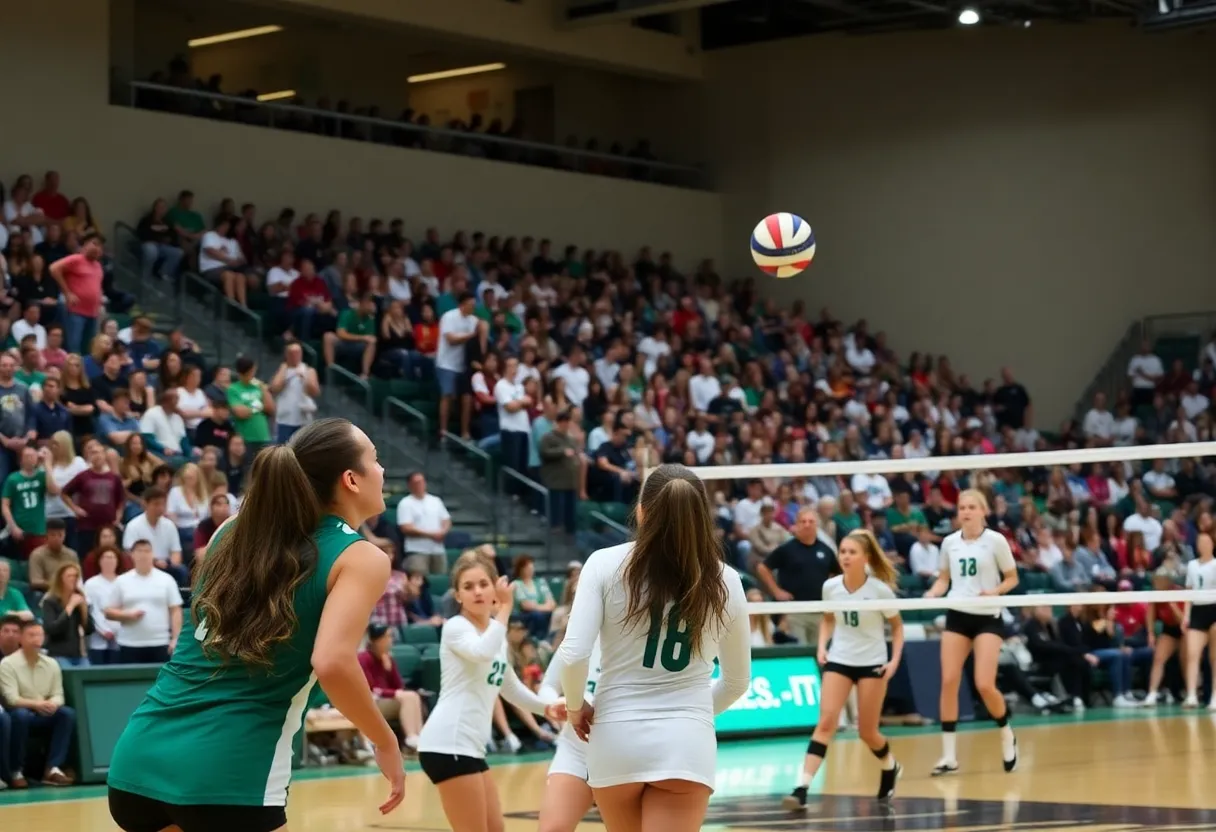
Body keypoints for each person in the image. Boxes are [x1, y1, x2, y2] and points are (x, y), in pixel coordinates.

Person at [107, 418, 406, 832]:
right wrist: (386, 740)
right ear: (351, 480)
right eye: (376, 459)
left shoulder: (229, 530)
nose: (383, 470)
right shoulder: (362, 558)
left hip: (138, 761)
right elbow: (333, 662)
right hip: (230, 774)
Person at [547, 463, 752, 832]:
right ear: (698, 515)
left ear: (641, 510)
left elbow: (574, 654)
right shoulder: (727, 580)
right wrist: (690, 716)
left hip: (614, 737)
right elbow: (737, 682)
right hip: (687, 744)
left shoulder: (603, 564)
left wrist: (576, 708)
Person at [416, 550, 561, 832]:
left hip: (470, 748)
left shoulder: (496, 634)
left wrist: (546, 709)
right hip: (448, 745)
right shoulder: (456, 627)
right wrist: (505, 610)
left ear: (494, 587)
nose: (477, 592)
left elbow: (509, 688)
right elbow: (481, 652)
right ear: (457, 596)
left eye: (483, 584)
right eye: (468, 587)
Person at [783, 529, 904, 808]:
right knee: (826, 723)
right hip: (840, 659)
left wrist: (894, 660)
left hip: (872, 662)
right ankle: (802, 787)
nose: (846, 557)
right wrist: (822, 646)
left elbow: (897, 628)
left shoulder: (879, 590)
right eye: (843, 552)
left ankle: (890, 766)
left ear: (866, 558)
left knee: (867, 732)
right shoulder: (831, 587)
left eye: (852, 552)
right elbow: (828, 619)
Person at [924, 489, 1019, 776]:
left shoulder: (995, 541)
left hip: (987, 617)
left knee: (984, 684)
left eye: (971, 507)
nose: (965, 512)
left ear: (983, 511)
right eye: (961, 507)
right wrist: (932, 594)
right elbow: (944, 579)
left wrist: (995, 591)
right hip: (958, 614)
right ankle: (949, 756)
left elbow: (1012, 578)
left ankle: (1006, 731)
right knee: (949, 680)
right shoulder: (950, 543)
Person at [536, 639, 602, 832]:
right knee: (552, 828)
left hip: (624, 752)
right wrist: (559, 703)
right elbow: (547, 687)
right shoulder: (580, 637)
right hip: (576, 749)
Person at [359, 623, 425, 752]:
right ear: (376, 640)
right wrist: (393, 694)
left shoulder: (388, 657)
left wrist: (389, 670)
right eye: (387, 637)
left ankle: (418, 736)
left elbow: (398, 686)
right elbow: (370, 689)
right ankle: (411, 736)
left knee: (413, 696)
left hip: (386, 700)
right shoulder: (364, 658)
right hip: (372, 702)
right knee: (408, 697)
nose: (391, 640)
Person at [1182, 532, 1216, 709]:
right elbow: (1188, 591)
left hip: (1214, 608)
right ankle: (1191, 695)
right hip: (1197, 610)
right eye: (1200, 541)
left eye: (1207, 541)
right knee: (1192, 654)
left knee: (1214, 656)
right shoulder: (1192, 565)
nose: (1203, 544)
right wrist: (1186, 616)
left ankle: (1215, 698)